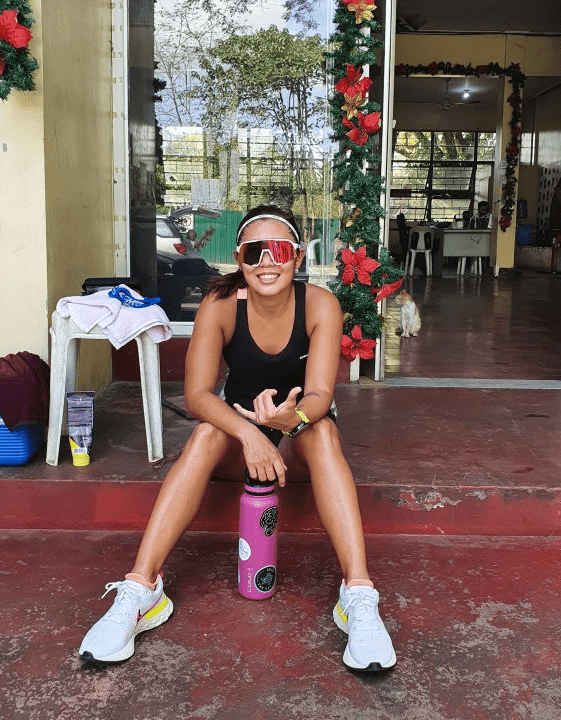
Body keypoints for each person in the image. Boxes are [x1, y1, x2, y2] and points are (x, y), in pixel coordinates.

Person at [78, 204, 397, 672]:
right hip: (239, 442)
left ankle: (359, 596)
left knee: (324, 433)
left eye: (279, 250)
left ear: (298, 256)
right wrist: (250, 433)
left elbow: (320, 394)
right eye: (254, 251)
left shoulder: (320, 304)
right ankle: (141, 590)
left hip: (297, 439)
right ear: (239, 258)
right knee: (206, 434)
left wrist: (289, 422)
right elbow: (197, 395)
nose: (267, 262)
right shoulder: (221, 304)